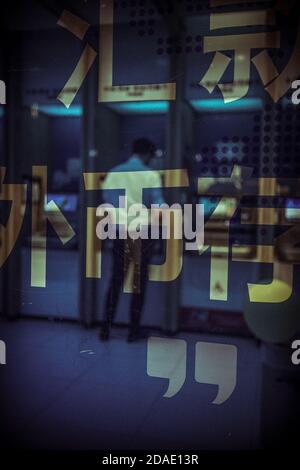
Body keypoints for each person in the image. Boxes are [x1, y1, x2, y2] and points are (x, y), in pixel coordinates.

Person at [100, 138, 164, 342]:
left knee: (116, 280)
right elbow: (158, 203)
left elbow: (106, 200)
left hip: (119, 232)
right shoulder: (151, 175)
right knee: (138, 283)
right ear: (148, 155)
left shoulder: (115, 172)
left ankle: (105, 329)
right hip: (142, 234)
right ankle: (133, 331)